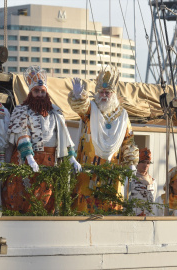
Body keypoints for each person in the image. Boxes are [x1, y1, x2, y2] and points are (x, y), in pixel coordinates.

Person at [1, 65, 81, 213]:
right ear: (31, 92)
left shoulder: (56, 112)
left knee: (48, 199)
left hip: (51, 161)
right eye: (36, 91)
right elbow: (21, 133)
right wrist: (30, 157)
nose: (39, 94)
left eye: (42, 91)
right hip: (27, 160)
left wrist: (72, 158)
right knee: (22, 196)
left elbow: (64, 137)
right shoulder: (21, 110)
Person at [68, 65, 139, 213]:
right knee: (84, 203)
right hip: (88, 168)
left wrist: (131, 162)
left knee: (111, 205)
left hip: (112, 170)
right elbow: (81, 107)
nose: (104, 95)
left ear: (114, 93)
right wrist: (78, 96)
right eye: (101, 92)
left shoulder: (123, 115)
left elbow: (129, 141)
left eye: (107, 92)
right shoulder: (91, 110)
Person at [128, 148, 156, 216]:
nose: (145, 165)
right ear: (137, 163)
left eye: (148, 163)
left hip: (149, 218)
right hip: (134, 217)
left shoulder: (153, 182)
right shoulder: (131, 179)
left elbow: (153, 199)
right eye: (143, 162)